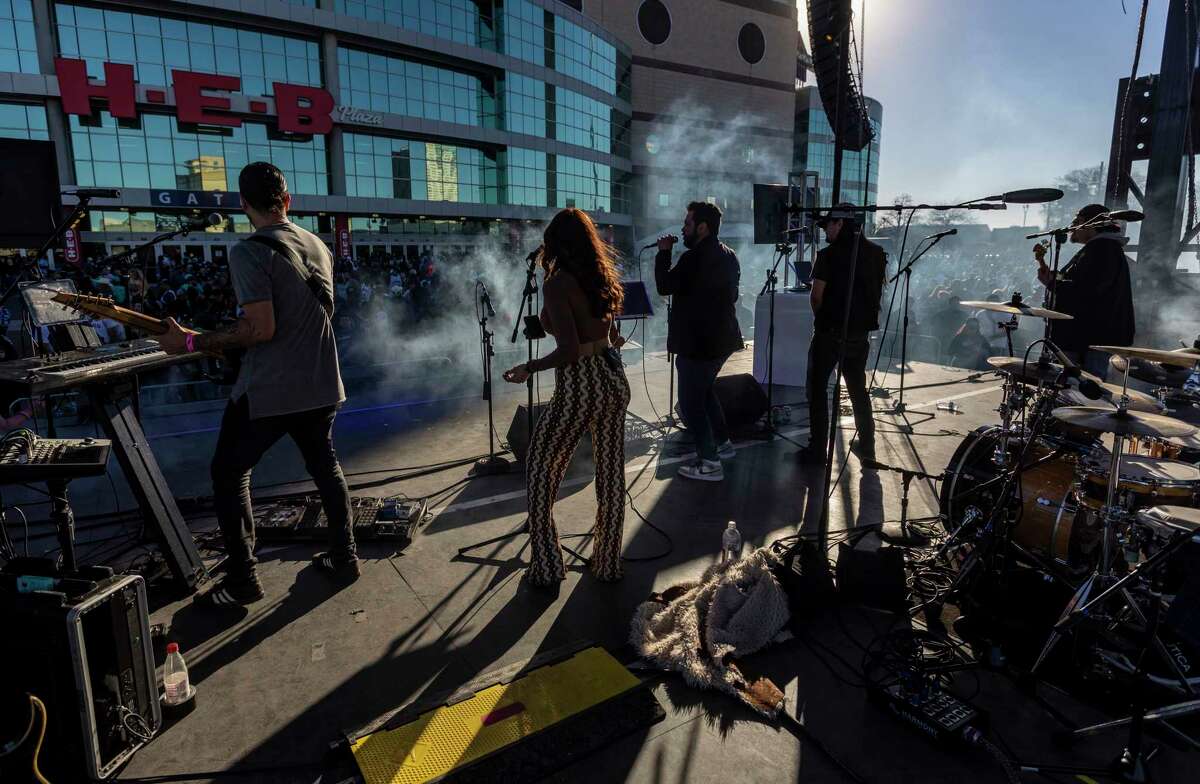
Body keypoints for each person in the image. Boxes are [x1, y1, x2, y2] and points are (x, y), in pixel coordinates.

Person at [159, 162, 357, 605]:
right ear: (287, 201)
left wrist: (190, 341)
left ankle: (243, 579)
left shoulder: (248, 251)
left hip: (270, 389)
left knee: (229, 475)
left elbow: (260, 328)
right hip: (322, 382)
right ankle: (345, 555)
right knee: (325, 467)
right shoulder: (316, 245)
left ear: (242, 204)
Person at [502, 208, 630, 593]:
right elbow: (607, 333)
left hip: (580, 385)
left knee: (541, 468)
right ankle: (607, 563)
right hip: (612, 379)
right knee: (610, 475)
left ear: (555, 243)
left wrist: (529, 367)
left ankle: (546, 565)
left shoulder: (558, 284)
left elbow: (570, 350)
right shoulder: (601, 276)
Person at [654, 201, 743, 482]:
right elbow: (733, 297)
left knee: (691, 403)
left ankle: (710, 462)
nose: (683, 228)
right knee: (704, 393)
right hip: (722, 340)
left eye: (688, 224)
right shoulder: (730, 255)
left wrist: (664, 253)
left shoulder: (694, 258)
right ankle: (723, 444)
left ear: (702, 227)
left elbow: (664, 286)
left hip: (699, 343)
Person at [797, 203, 888, 466]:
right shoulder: (877, 253)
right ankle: (868, 448)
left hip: (830, 334)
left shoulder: (828, 255)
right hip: (860, 337)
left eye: (828, 224)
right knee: (858, 390)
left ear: (840, 224)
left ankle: (817, 450)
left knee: (816, 390)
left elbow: (816, 297)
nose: (826, 229)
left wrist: (824, 322)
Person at [1037, 203, 1135, 379]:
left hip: (1089, 339)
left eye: (1077, 220)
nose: (1072, 226)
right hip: (1085, 337)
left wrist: (1054, 283)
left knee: (1083, 392)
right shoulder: (1099, 249)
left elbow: (1089, 291)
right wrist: (1053, 278)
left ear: (1091, 224)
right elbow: (1082, 283)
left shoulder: (1103, 249)